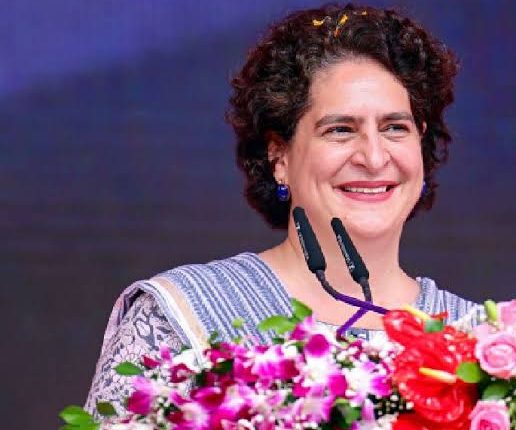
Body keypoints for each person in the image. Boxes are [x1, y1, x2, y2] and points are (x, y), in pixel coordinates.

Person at [85, 4, 480, 414]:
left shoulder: (484, 342)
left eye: (395, 127)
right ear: (279, 156)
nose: (374, 157)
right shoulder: (182, 316)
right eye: (340, 130)